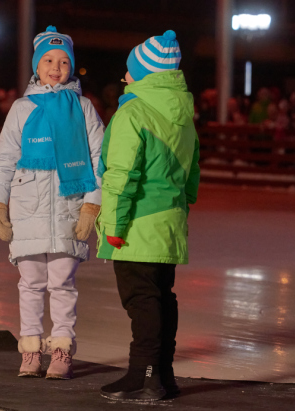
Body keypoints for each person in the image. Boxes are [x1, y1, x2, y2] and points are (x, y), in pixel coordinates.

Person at [0, 26, 105, 380]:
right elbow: (5, 158)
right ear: (37, 66)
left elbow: (100, 160)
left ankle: (62, 349)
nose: (56, 67)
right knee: (31, 284)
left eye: (64, 61)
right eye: (49, 60)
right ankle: (31, 350)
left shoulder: (82, 108)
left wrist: (91, 206)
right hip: (28, 210)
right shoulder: (22, 109)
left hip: (69, 207)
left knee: (63, 284)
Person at [96, 30, 200, 402]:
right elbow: (192, 170)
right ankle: (159, 373)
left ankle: (146, 376)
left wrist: (113, 225)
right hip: (169, 222)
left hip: (137, 223)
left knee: (142, 301)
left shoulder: (133, 112)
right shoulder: (182, 114)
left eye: (130, 70)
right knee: (160, 297)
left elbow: (121, 176)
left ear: (143, 74)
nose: (125, 77)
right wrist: (182, 205)